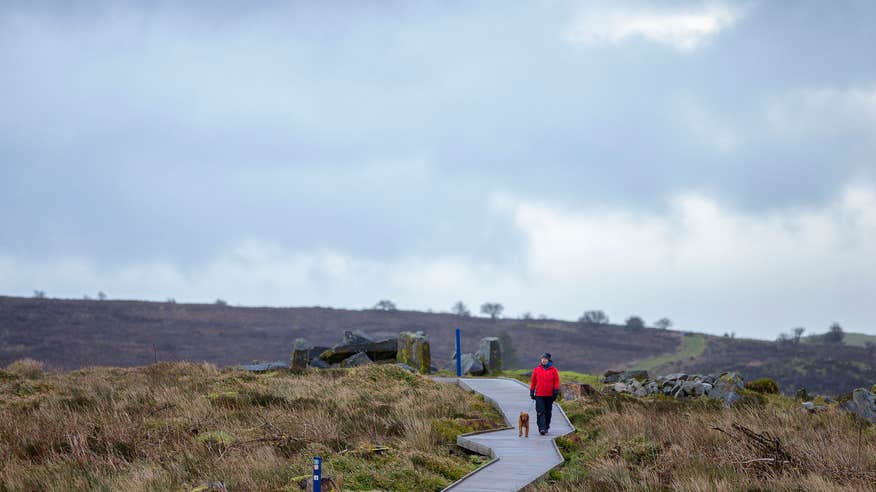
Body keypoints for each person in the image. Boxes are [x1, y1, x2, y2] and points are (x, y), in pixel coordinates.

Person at [529, 352, 560, 435]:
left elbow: (556, 381)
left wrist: (556, 391)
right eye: (542, 359)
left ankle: (546, 427)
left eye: (545, 359)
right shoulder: (536, 369)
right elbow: (533, 381)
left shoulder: (553, 370)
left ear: (548, 360)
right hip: (539, 394)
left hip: (550, 395)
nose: (543, 360)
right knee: (540, 411)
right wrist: (532, 391)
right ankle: (541, 428)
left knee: (548, 412)